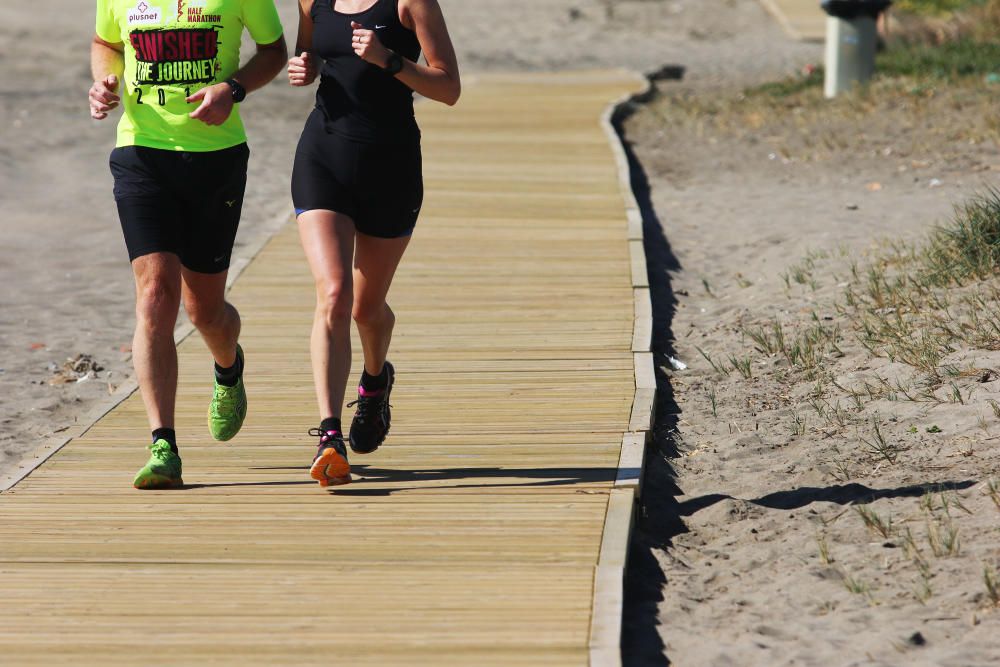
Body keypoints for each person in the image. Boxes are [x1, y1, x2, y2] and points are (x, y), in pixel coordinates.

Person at [89, 0, 287, 489]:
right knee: (156, 297)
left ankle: (228, 366)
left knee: (205, 311)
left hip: (215, 158)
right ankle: (163, 445)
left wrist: (232, 88)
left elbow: (274, 51)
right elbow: (105, 44)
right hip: (141, 154)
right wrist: (104, 83)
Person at [287, 0, 460, 486]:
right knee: (335, 295)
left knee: (366, 308)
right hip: (323, 156)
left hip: (391, 167)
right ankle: (328, 434)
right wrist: (304, 68)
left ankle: (375, 379)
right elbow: (312, 52)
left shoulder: (411, 4)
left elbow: (449, 88)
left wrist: (390, 60)